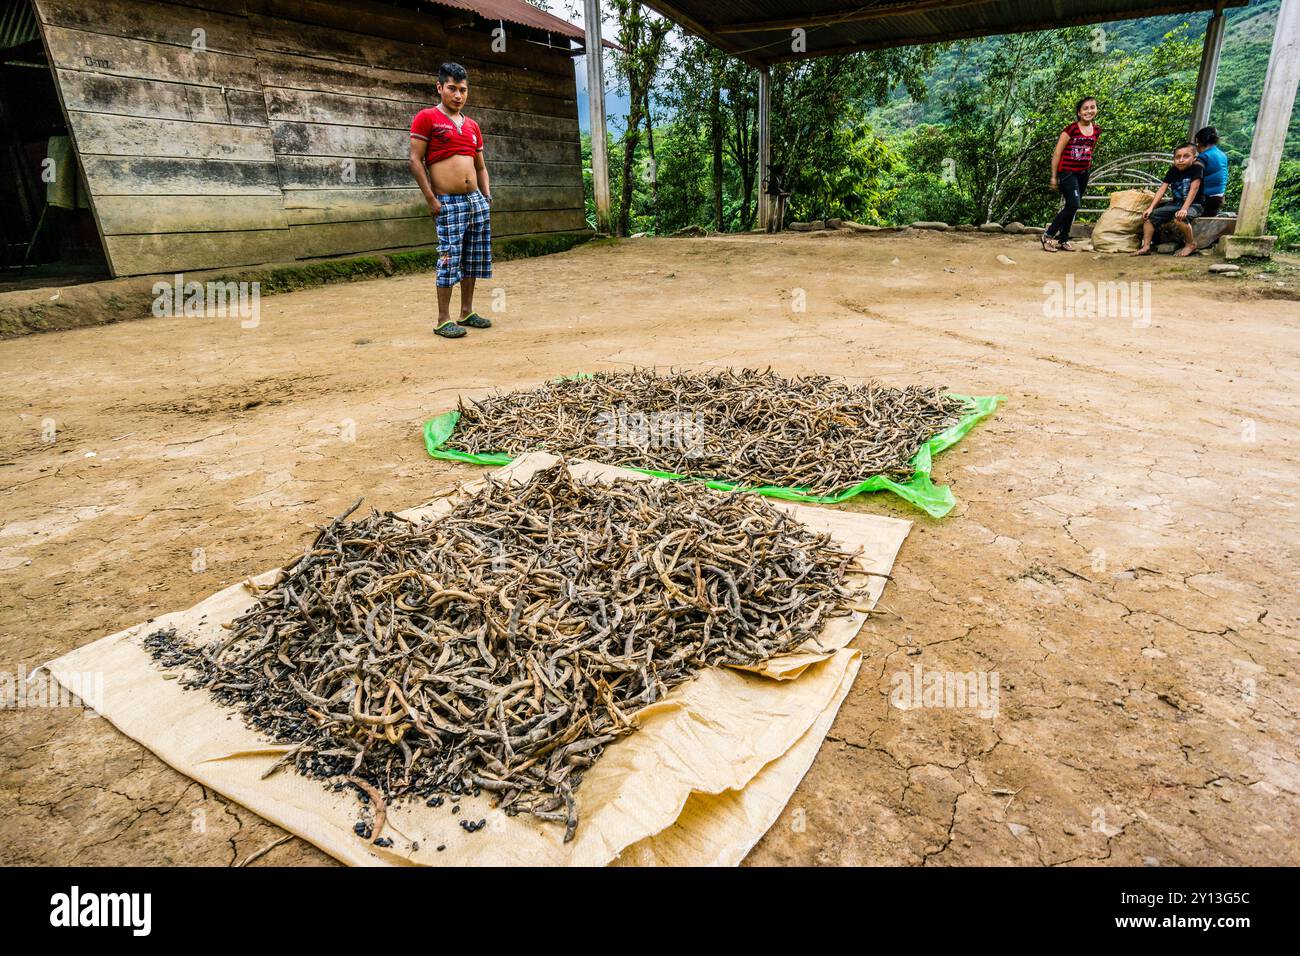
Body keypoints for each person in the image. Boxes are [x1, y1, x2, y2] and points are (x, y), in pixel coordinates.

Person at [409, 62, 493, 339]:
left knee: (473, 257)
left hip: (475, 201)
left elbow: (480, 166)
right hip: (448, 202)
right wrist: (431, 198)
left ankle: (466, 311)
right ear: (440, 88)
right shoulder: (427, 118)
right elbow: (415, 160)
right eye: (452, 89)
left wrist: (486, 195)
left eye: (463, 90)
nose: (458, 95)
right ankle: (443, 319)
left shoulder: (472, 126)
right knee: (448, 258)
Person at [1043, 97, 1100, 252]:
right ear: (1079, 112)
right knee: (1074, 204)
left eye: (1092, 107)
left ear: (1096, 109)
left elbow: (1090, 150)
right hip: (1068, 172)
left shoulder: (1096, 130)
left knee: (1072, 207)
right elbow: (1057, 153)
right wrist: (1054, 177)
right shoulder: (1071, 130)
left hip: (1084, 172)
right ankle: (1048, 235)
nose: (1089, 111)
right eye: (1085, 108)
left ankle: (1063, 239)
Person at [1133, 143, 1204, 257]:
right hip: (1176, 204)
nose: (1181, 160)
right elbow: (1162, 188)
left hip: (1194, 204)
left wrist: (1185, 209)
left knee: (1180, 218)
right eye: (1178, 157)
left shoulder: (1197, 168)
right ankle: (1146, 246)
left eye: (1186, 156)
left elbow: (1194, 189)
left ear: (1194, 158)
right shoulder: (1173, 170)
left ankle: (1190, 244)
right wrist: (1151, 208)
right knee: (1149, 217)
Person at [1194, 126, 1228, 218]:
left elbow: (1194, 176)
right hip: (1219, 198)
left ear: (1199, 141)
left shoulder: (1203, 157)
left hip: (1206, 200)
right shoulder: (1222, 154)